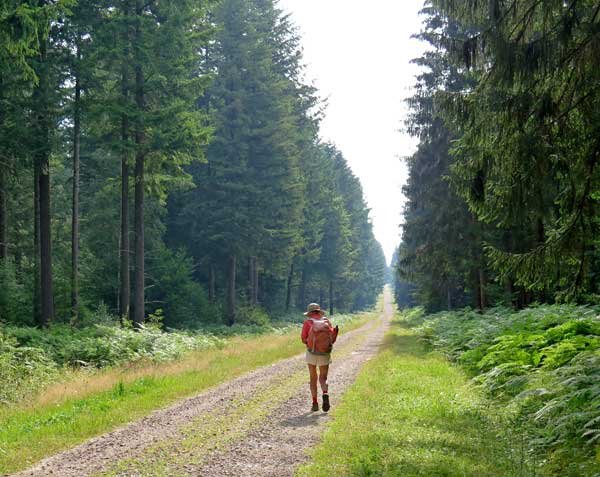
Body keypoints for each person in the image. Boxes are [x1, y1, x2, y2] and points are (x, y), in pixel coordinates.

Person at [301, 303, 339, 412]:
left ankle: (315, 403)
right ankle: (325, 394)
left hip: (311, 353)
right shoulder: (326, 322)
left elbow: (303, 339)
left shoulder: (307, 323)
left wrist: (311, 342)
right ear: (319, 311)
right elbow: (332, 339)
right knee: (323, 378)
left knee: (313, 378)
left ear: (309, 313)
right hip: (324, 353)